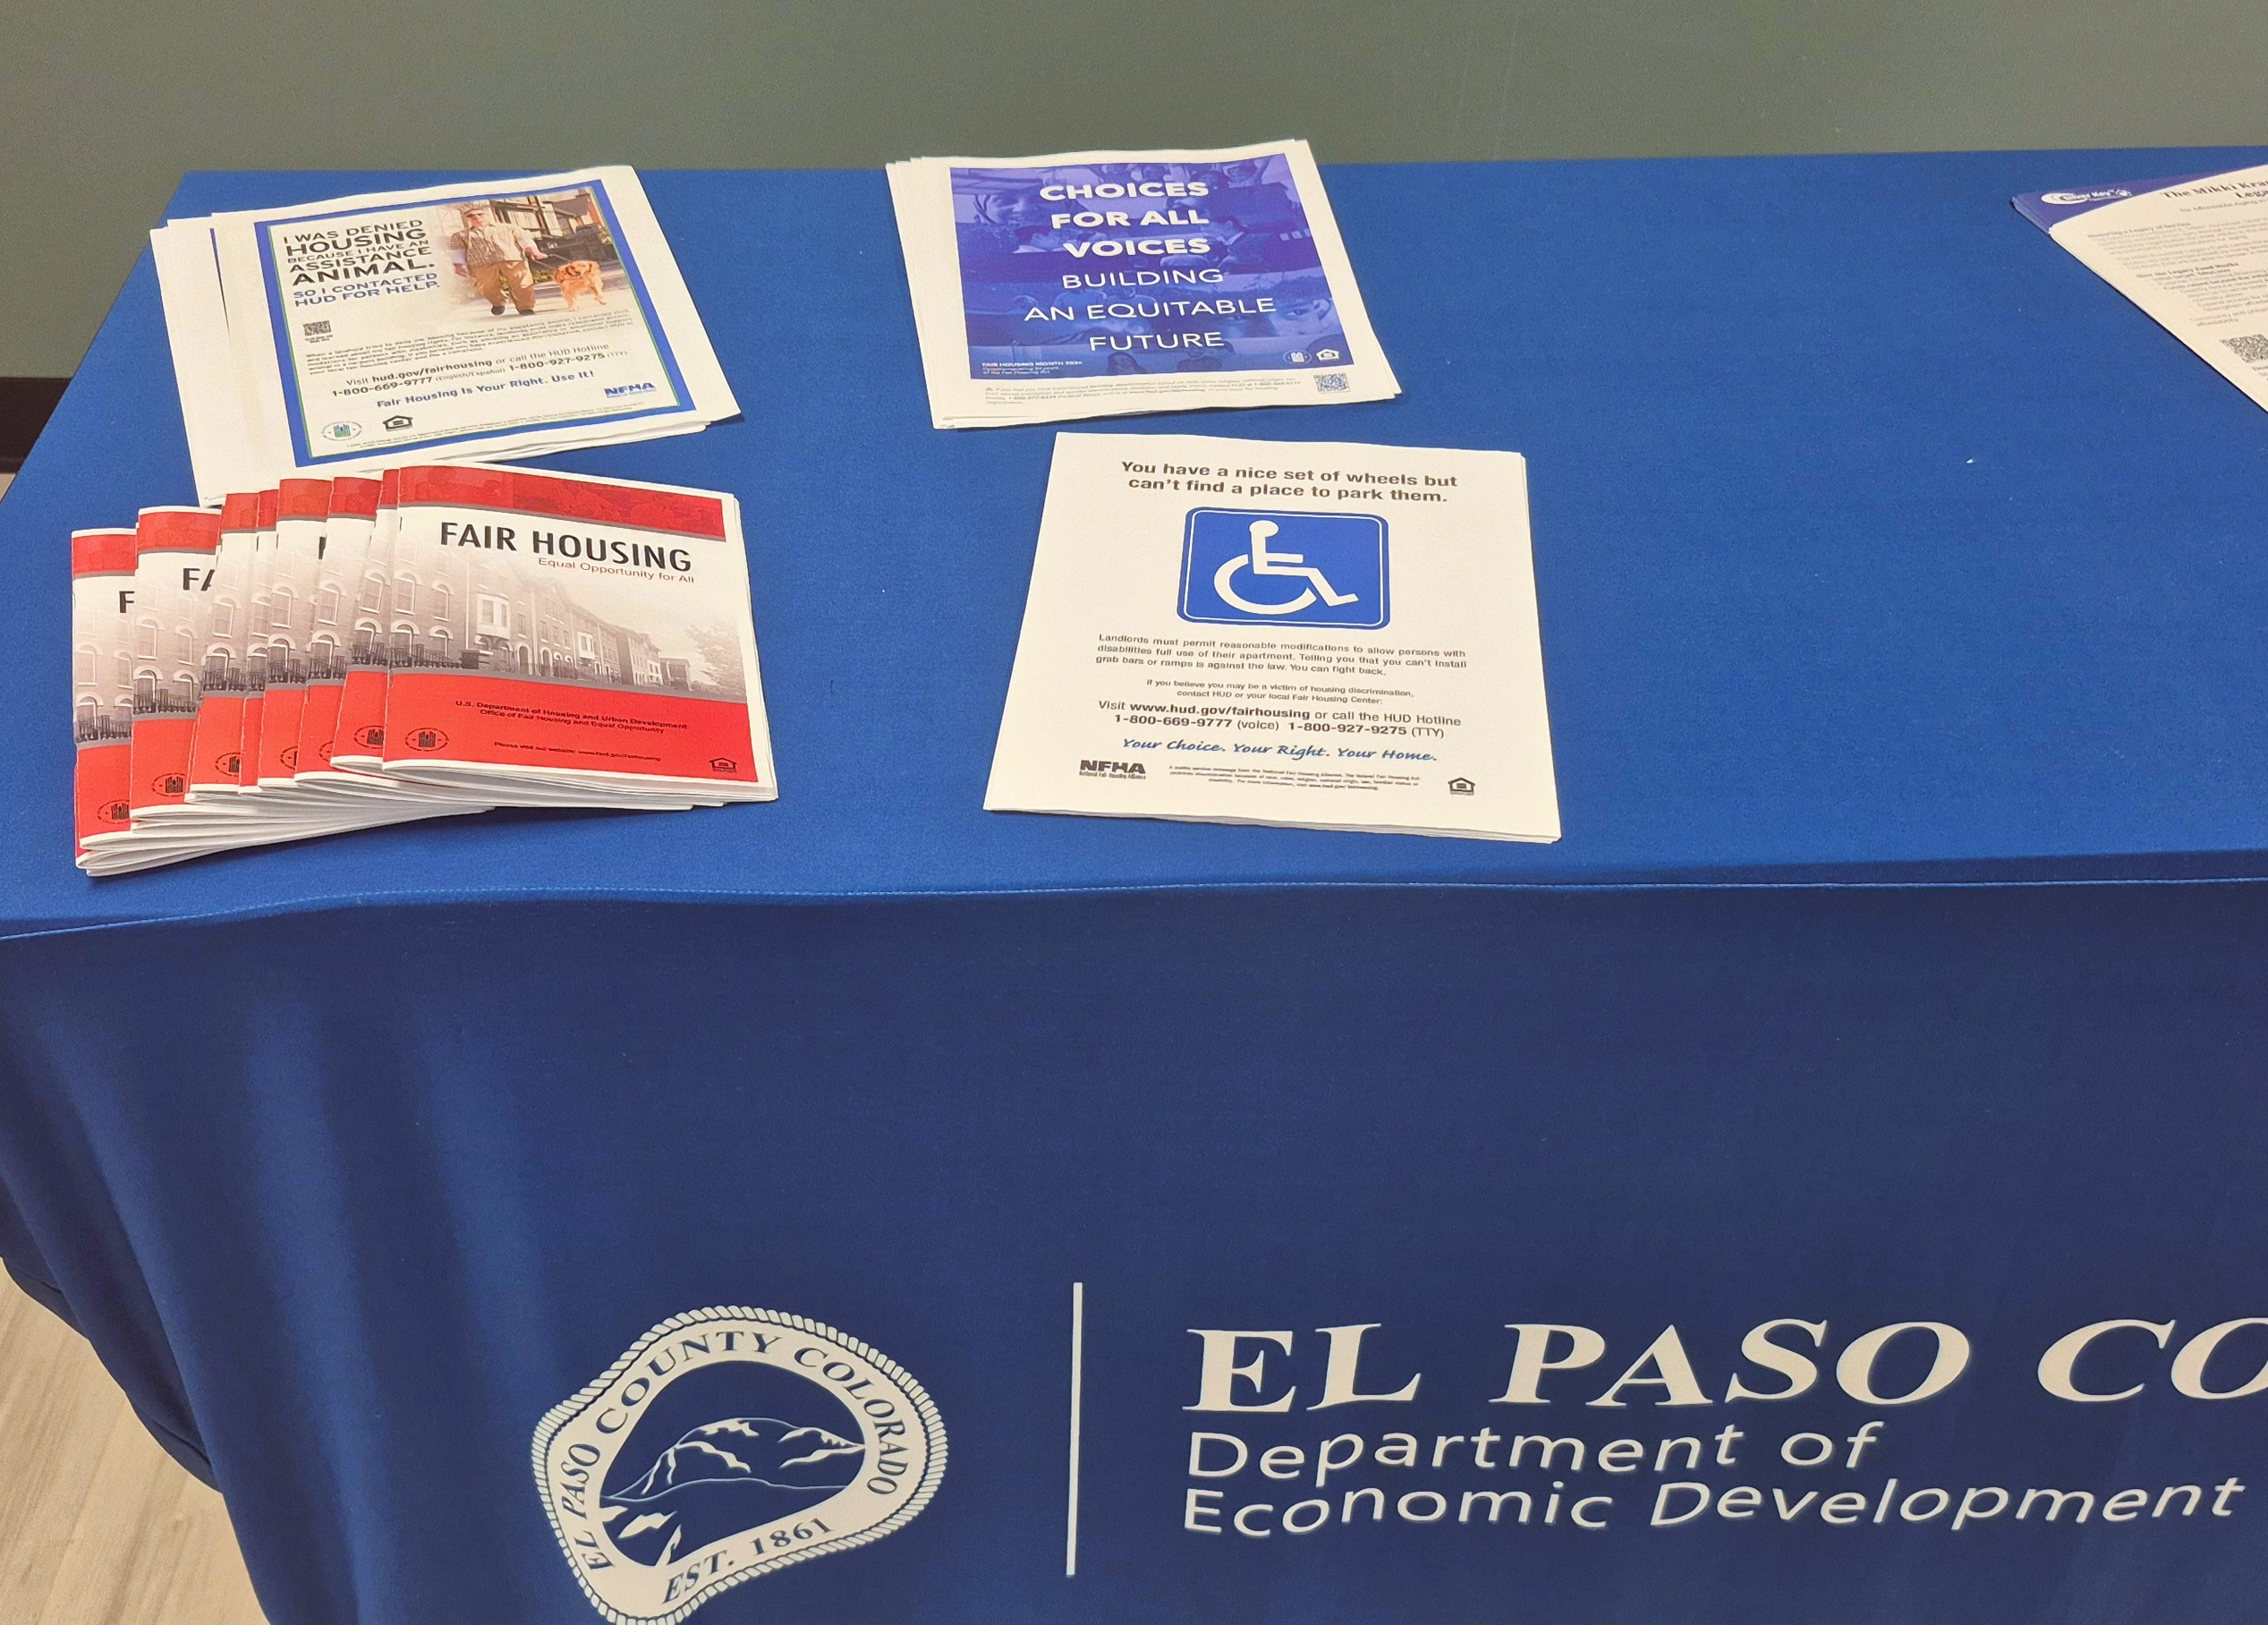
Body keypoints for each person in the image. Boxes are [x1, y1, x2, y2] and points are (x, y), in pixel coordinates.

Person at [448, 204, 550, 316]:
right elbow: (458, 251)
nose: (476, 217)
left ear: (487, 215)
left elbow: (524, 239)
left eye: (480, 214)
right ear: (466, 219)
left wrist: (534, 251)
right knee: (487, 287)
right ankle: (498, 302)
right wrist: (459, 265)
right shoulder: (461, 235)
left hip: (512, 259)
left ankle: (526, 307)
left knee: (522, 283)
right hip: (481, 264)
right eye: (471, 216)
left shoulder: (508, 228)